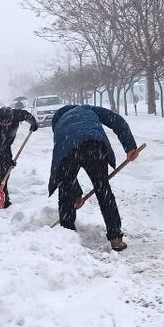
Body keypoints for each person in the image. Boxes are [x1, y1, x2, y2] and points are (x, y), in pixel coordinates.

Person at [49, 104, 139, 252]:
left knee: (65, 191)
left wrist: (74, 193)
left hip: (69, 149)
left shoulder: (60, 125)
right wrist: (129, 146)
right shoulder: (89, 109)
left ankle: (67, 237)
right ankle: (116, 237)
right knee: (103, 190)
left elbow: (62, 171)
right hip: (94, 145)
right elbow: (116, 120)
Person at [0, 106, 38, 208]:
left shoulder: (16, 114)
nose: (5, 125)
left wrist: (33, 122)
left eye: (7, 123)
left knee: (5, 173)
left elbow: (26, 115)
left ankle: (2, 196)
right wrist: (8, 160)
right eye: (2, 123)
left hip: (6, 146)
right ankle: (4, 200)